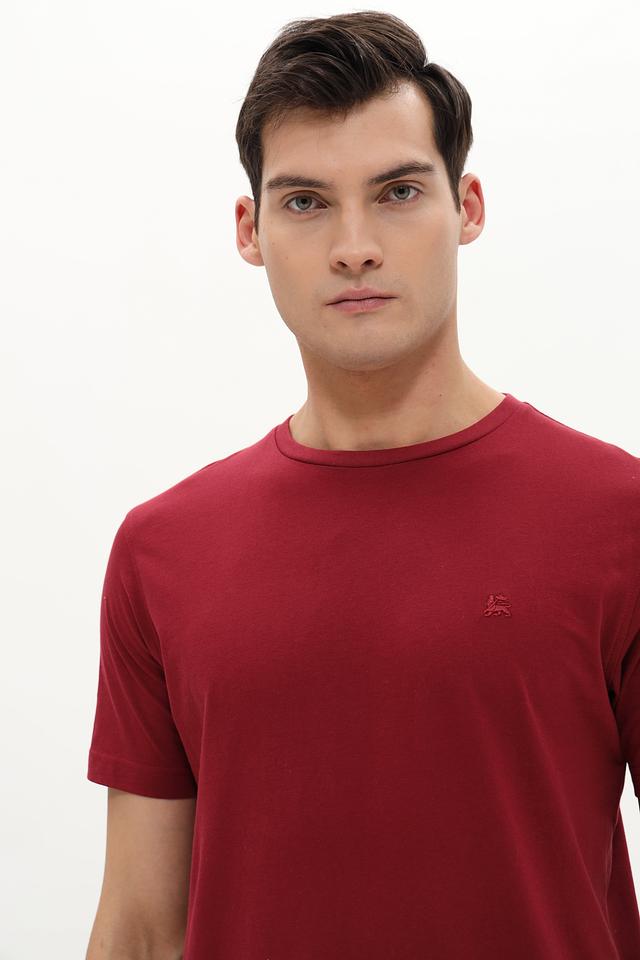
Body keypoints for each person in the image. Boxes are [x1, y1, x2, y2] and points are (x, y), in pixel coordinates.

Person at [85, 11, 640, 959]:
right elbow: (140, 929)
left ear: (467, 208)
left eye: (397, 192)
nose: (354, 247)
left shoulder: (617, 519)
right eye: (306, 201)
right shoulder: (161, 550)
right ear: (250, 230)